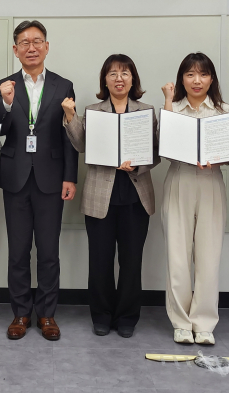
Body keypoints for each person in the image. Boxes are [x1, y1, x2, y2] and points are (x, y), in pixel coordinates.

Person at [0, 20, 78, 341]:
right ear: (15, 50)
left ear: (47, 46)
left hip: (51, 178)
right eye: (24, 43)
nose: (31, 47)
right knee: (18, 251)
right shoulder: (5, 85)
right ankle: (21, 313)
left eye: (37, 41)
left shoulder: (63, 85)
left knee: (49, 251)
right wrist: (5, 103)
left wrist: (70, 177)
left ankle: (47, 314)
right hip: (15, 177)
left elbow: (68, 135)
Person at [62, 54, 160, 338]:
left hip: (136, 197)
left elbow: (156, 152)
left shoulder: (146, 111)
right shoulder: (93, 111)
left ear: (133, 79)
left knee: (131, 261)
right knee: (100, 261)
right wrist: (70, 116)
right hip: (100, 196)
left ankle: (127, 316)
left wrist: (138, 165)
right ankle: (101, 314)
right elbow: (80, 145)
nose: (119, 78)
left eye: (125, 73)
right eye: (113, 73)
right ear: (104, 80)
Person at [160, 52, 229, 346]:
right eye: (190, 74)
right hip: (180, 178)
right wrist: (168, 100)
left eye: (203, 74)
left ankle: (203, 323)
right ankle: (180, 322)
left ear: (211, 79)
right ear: (182, 79)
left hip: (211, 181)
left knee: (208, 257)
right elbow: (164, 147)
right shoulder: (174, 108)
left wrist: (218, 157)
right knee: (177, 257)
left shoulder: (224, 111)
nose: (197, 80)